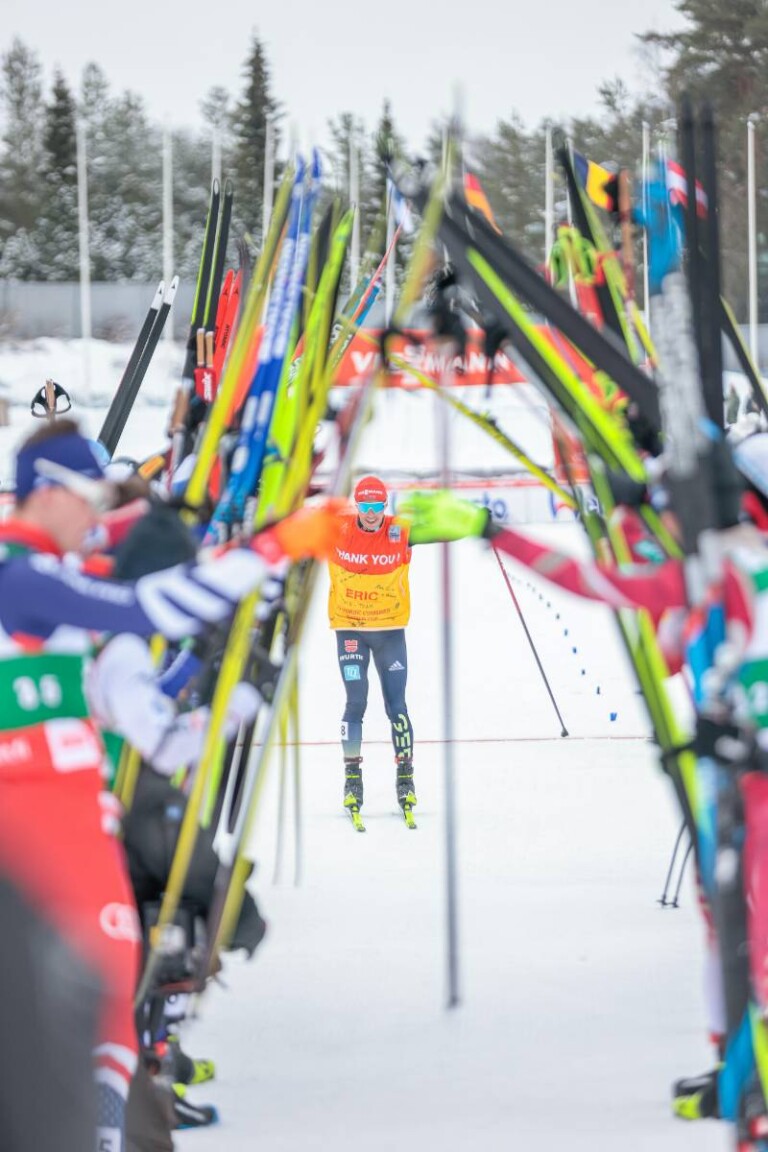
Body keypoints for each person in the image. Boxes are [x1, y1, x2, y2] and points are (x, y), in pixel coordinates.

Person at [0, 417, 348, 1151]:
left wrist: (234, 665)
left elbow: (152, 596)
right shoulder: (20, 577)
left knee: (108, 1003)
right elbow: (150, 605)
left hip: (75, 817)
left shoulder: (53, 578)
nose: (96, 515)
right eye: (88, 495)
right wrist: (277, 545)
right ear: (47, 493)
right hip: (30, 818)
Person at [328, 475, 416, 816]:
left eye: (376, 506)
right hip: (350, 630)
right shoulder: (339, 528)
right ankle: (352, 779)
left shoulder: (399, 531)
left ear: (384, 505)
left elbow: (441, 530)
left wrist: (476, 523)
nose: (370, 513)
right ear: (357, 505)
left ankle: (406, 777)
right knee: (356, 702)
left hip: (390, 631)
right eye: (364, 506)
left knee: (396, 705)